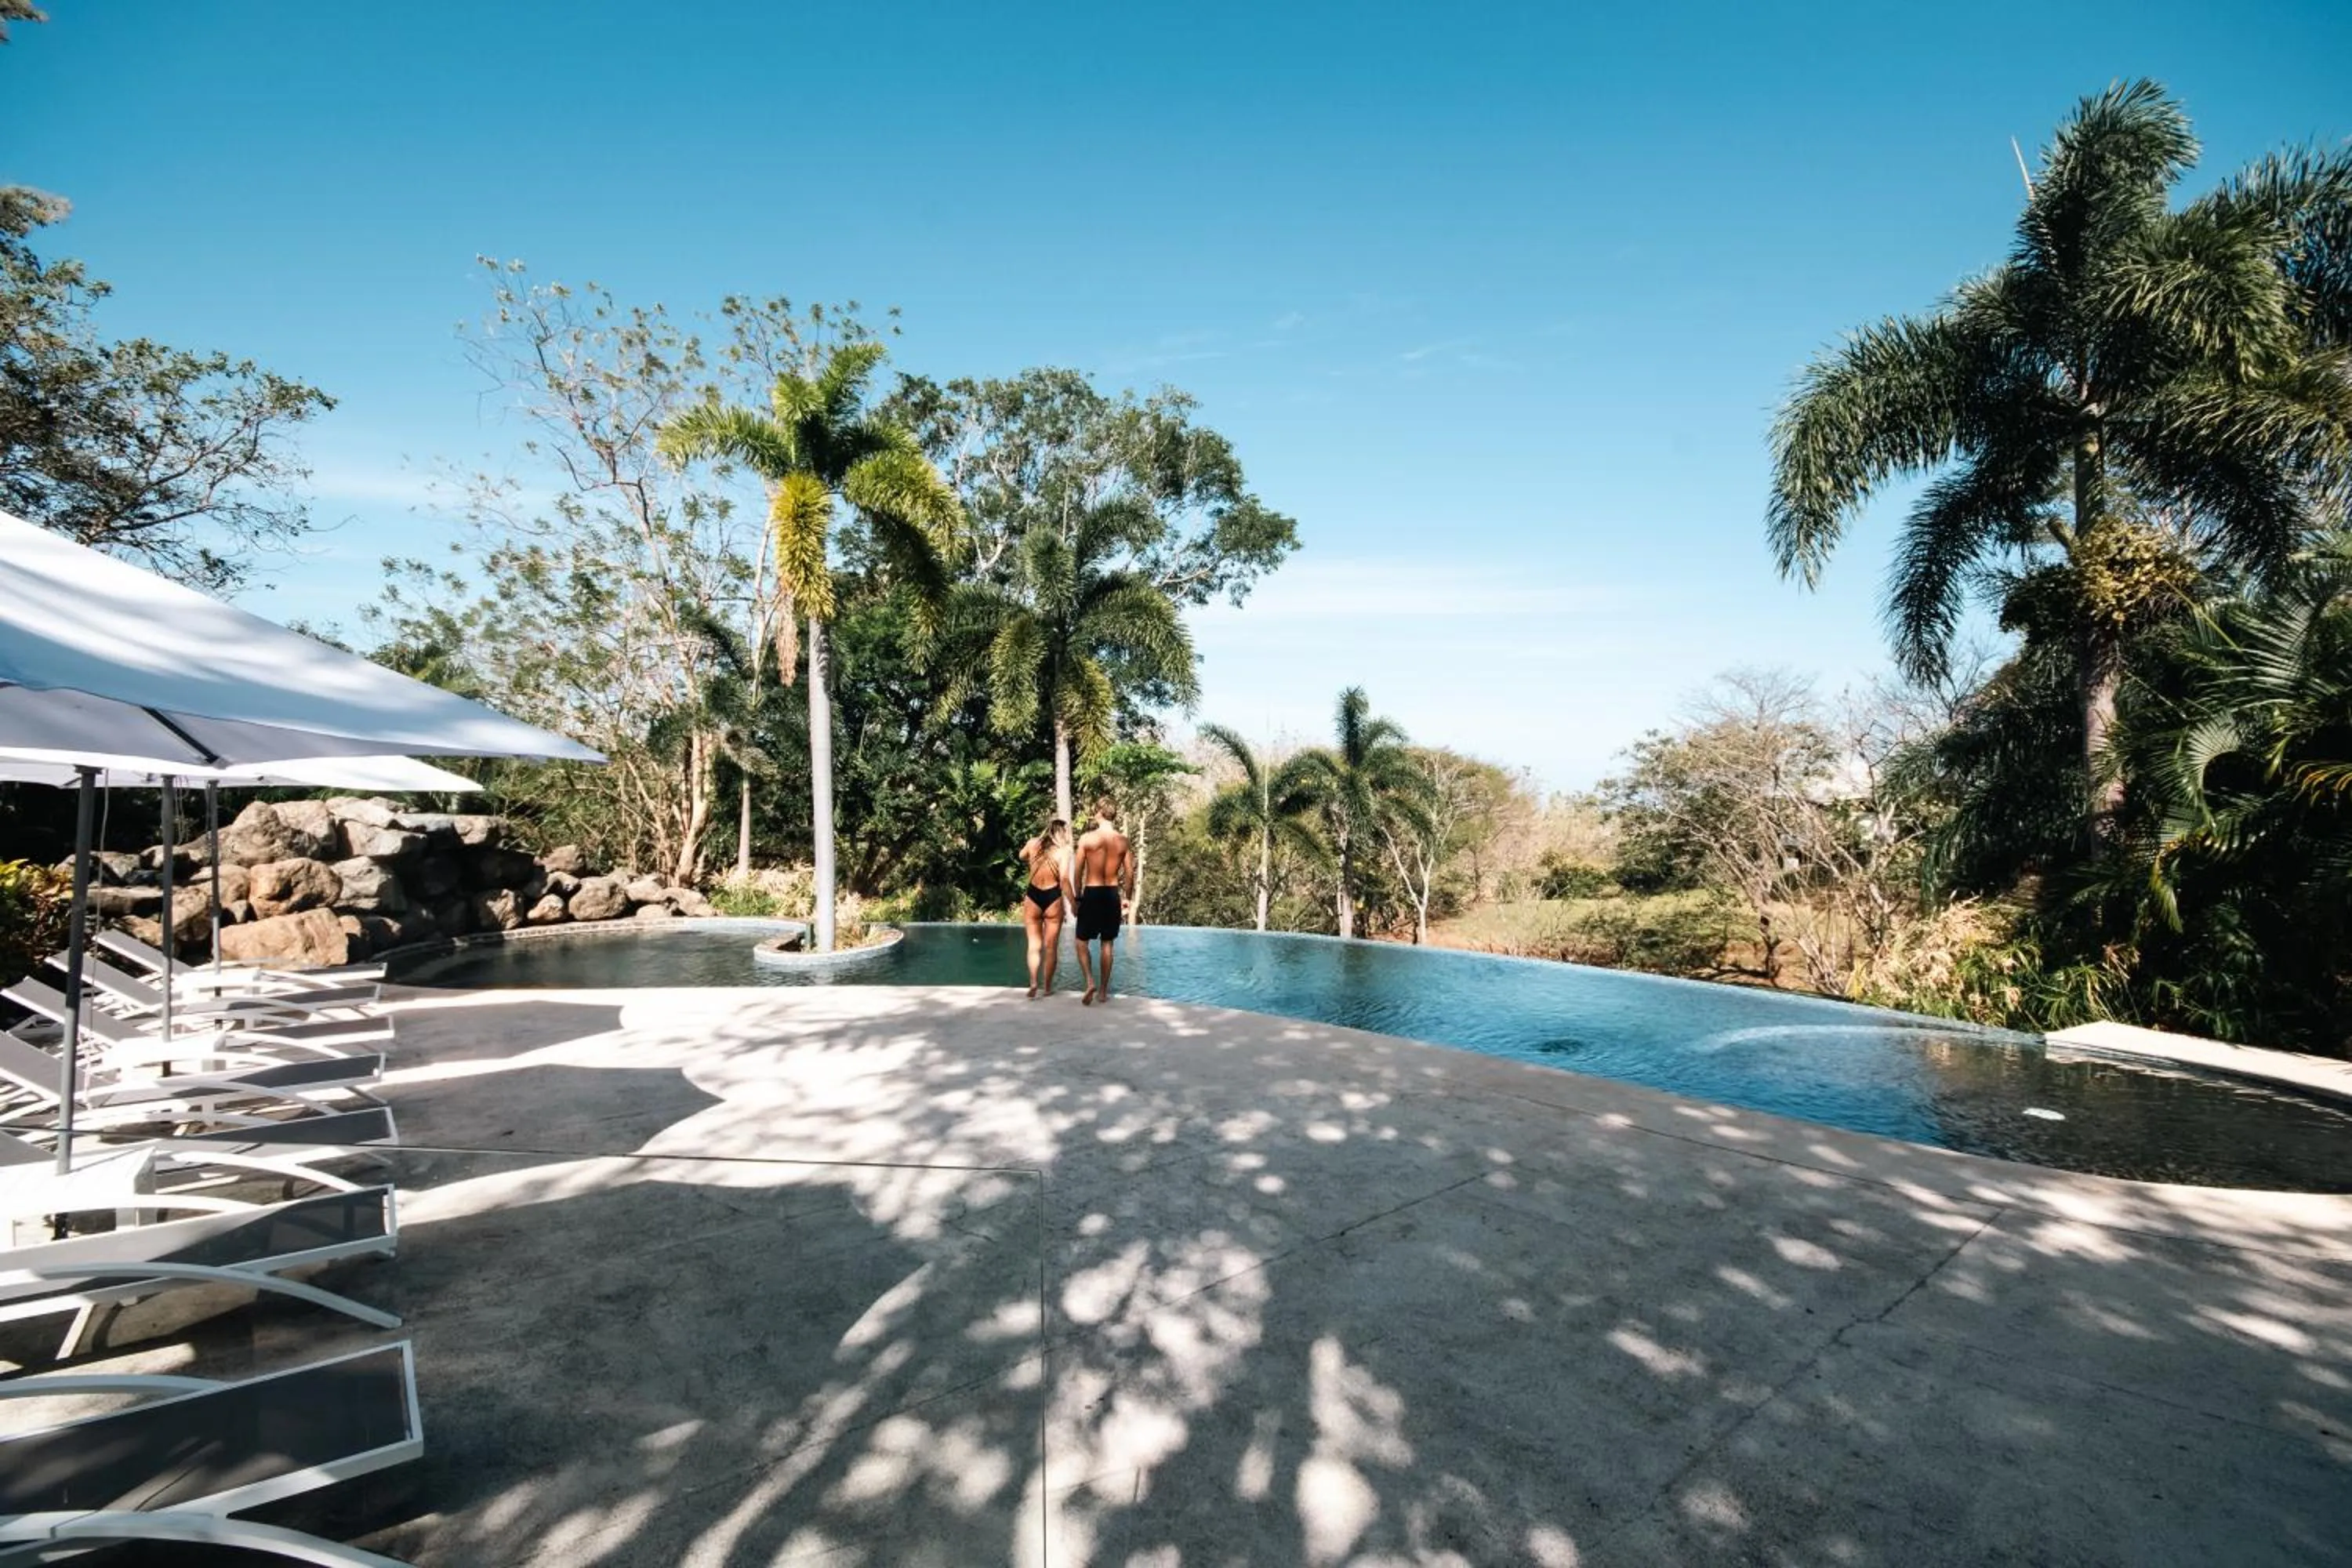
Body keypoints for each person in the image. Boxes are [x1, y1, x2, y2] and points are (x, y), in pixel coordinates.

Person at [1071, 797, 1134, 1006]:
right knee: (1108, 943)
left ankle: (1090, 981)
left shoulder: (1087, 839)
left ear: (1099, 812)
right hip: (1111, 894)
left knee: (1081, 941)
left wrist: (1077, 898)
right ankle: (1104, 992)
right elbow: (1130, 873)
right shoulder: (1123, 841)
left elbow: (1078, 872)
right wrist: (1127, 897)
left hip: (1092, 892)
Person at [1014, 818, 1072, 999]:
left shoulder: (1033, 843)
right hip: (1052, 897)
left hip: (1033, 896)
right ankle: (1047, 988)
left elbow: (1021, 856)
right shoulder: (1063, 851)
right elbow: (1064, 880)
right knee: (1051, 947)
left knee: (1033, 945)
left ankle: (1033, 982)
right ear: (1062, 833)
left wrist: (1033, 855)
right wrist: (1074, 903)